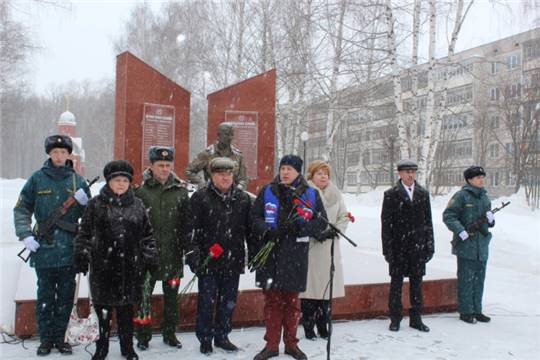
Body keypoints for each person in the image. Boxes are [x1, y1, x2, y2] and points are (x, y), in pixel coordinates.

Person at [13, 134, 90, 356]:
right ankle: (46, 339)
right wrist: (26, 234)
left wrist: (86, 204)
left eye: (63, 152)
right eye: (55, 152)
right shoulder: (37, 179)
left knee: (66, 298)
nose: (58, 156)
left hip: (69, 249)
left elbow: (91, 217)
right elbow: (22, 209)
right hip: (44, 249)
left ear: (68, 155)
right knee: (45, 297)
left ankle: (61, 338)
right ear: (49, 154)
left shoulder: (78, 181)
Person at [73, 160, 158, 360]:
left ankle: (127, 348)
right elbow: (84, 233)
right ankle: (101, 348)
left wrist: (150, 256)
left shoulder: (137, 205)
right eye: (116, 180)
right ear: (109, 182)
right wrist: (82, 254)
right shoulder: (95, 205)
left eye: (124, 180)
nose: (120, 184)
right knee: (103, 313)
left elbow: (147, 235)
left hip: (130, 268)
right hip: (103, 268)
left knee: (126, 314)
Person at [251, 154, 327, 360]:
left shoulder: (310, 194)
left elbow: (322, 223)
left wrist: (300, 227)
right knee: (273, 302)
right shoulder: (268, 191)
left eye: (289, 169)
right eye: (282, 168)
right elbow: (254, 217)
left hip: (295, 257)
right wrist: (268, 230)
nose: (284, 172)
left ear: (298, 172)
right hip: (271, 255)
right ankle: (272, 345)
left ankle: (292, 345)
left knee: (293, 303)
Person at [186, 157, 253, 355]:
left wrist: (255, 252)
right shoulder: (200, 198)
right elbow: (190, 231)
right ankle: (205, 338)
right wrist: (194, 257)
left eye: (229, 174)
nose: (225, 177)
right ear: (212, 176)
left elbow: (249, 230)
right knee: (207, 302)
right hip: (208, 261)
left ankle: (222, 336)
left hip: (233, 259)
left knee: (228, 302)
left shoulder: (242, 198)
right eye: (220, 174)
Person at [134, 146, 191, 350]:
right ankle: (143, 336)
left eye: (168, 165)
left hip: (173, 255)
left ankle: (170, 333)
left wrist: (188, 249)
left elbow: (186, 224)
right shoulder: (140, 192)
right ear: (152, 166)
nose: (165, 169)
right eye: (160, 165)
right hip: (147, 256)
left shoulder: (181, 192)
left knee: (172, 301)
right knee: (144, 299)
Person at [381, 159, 434, 332]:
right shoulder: (391, 194)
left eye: (413, 172)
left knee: (416, 284)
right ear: (400, 174)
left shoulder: (423, 193)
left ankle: (416, 318)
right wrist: (387, 250)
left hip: (417, 247)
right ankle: (395, 318)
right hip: (398, 247)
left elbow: (428, 222)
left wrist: (429, 245)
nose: (410, 175)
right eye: (407, 172)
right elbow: (386, 225)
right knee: (396, 284)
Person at [299, 160, 349, 340]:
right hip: (312, 248)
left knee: (326, 291)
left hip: (330, 247)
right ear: (312, 175)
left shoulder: (336, 194)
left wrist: (335, 231)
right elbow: (302, 218)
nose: (324, 177)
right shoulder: (306, 193)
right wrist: (317, 232)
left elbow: (343, 216)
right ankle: (308, 326)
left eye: (326, 173)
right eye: (319, 173)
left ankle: (323, 325)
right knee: (311, 291)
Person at [442, 166, 495, 324]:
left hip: (482, 245)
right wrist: (460, 231)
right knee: (466, 279)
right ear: (469, 180)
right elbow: (448, 216)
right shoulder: (461, 196)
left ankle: (477, 310)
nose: (481, 180)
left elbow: (487, 222)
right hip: (466, 245)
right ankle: (466, 311)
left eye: (482, 177)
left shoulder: (485, 197)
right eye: (478, 177)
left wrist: (491, 220)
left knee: (479, 279)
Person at [184, 122, 248, 190]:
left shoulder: (238, 156)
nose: (230, 137)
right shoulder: (207, 154)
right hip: (211, 194)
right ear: (218, 135)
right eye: (226, 134)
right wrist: (202, 183)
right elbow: (189, 171)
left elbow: (243, 178)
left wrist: (239, 189)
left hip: (232, 195)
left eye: (231, 134)